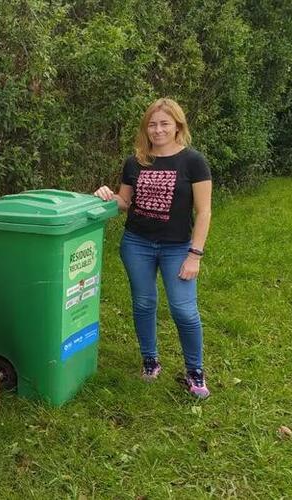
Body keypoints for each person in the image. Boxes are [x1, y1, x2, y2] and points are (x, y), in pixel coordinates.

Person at [94, 97, 212, 398]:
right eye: (152, 124)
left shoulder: (194, 162)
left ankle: (194, 372)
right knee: (144, 304)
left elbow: (204, 212)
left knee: (183, 310)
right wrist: (107, 195)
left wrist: (194, 255)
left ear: (177, 126)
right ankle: (150, 361)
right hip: (137, 244)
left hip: (177, 248)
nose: (157, 130)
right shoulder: (135, 162)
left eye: (164, 124)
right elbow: (124, 203)